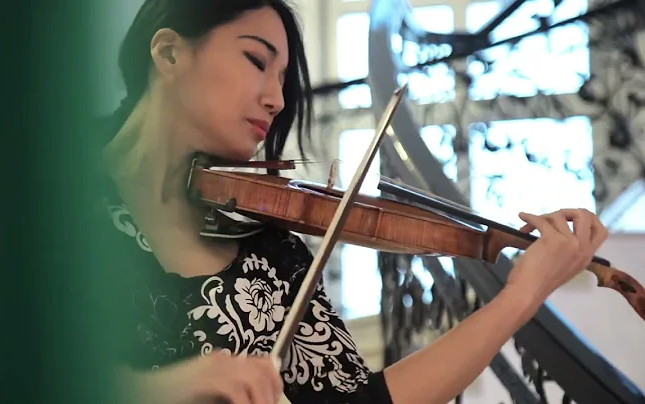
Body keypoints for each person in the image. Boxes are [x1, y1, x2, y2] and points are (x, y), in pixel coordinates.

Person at [94, 1, 610, 403]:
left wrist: (519, 299)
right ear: (167, 53)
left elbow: (361, 403)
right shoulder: (53, 187)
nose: (276, 99)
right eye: (257, 61)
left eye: (282, 81)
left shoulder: (269, 252)